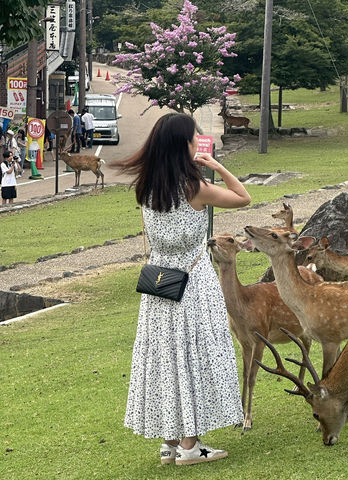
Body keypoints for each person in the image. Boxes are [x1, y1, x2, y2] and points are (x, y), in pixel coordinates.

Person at [113, 112, 251, 466]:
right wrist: (216, 165)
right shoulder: (195, 188)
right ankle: (191, 446)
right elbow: (243, 197)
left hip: (160, 283)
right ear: (183, 145)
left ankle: (170, 441)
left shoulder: (146, 188)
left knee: (165, 358)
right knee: (194, 355)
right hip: (194, 282)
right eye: (193, 139)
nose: (196, 143)